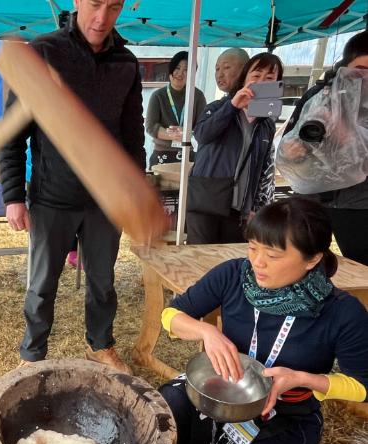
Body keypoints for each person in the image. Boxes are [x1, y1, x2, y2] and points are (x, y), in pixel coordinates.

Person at [158, 197, 368, 444]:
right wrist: (207, 332)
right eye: (253, 248)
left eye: (272, 255)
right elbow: (171, 314)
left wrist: (302, 379)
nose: (258, 262)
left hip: (284, 411)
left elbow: (363, 386)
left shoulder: (342, 312)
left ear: (312, 259)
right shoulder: (234, 275)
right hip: (221, 391)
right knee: (164, 410)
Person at [0, 0, 145, 374]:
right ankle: (32, 354)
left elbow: (133, 135)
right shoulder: (44, 52)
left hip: (105, 200)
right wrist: (13, 195)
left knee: (103, 282)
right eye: (94, 3)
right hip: (52, 196)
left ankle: (100, 345)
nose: (102, 17)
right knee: (42, 283)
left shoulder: (126, 64)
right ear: (77, 1)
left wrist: (135, 191)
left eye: (113, 7)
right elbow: (12, 134)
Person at [278, 31, 368, 267]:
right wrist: (293, 152)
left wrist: (347, 137)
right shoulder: (319, 96)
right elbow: (296, 138)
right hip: (313, 198)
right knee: (300, 263)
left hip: (359, 206)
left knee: (359, 270)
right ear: (345, 66)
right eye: (360, 69)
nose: (364, 78)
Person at [185, 52, 283, 244]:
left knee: (230, 262)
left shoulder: (266, 124)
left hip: (240, 209)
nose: (262, 82)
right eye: (256, 76)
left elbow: (264, 169)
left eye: (270, 78)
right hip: (206, 201)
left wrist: (256, 207)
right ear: (244, 77)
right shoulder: (217, 107)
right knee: (201, 260)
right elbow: (202, 135)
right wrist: (232, 106)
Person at [146, 51, 207, 168]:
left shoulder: (198, 96)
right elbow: (151, 126)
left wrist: (186, 133)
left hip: (189, 155)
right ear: (171, 69)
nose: (180, 73)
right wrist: (173, 136)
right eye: (177, 68)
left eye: (186, 70)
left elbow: (203, 127)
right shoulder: (158, 95)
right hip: (162, 154)